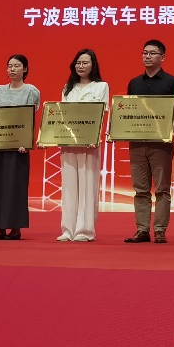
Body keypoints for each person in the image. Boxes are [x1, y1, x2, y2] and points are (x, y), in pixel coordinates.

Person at [124, 39, 174, 244]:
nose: (147, 56)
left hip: (161, 144)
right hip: (137, 143)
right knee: (140, 189)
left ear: (162, 57)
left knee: (162, 189)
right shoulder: (134, 82)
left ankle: (160, 230)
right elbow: (129, 111)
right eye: (145, 53)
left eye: (152, 53)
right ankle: (142, 230)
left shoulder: (172, 82)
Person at [0, 55, 41, 240]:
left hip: (18, 147)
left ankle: (15, 228)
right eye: (9, 66)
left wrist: (26, 142)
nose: (12, 69)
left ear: (25, 69)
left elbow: (29, 119)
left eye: (17, 66)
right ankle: (0, 228)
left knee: (15, 187)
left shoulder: (31, 91)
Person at [60, 49, 110, 242]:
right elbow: (62, 115)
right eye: (78, 63)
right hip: (69, 143)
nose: (81, 66)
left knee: (88, 185)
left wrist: (94, 136)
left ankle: (85, 230)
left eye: (85, 63)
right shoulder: (68, 88)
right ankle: (68, 229)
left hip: (90, 143)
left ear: (93, 65)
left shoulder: (101, 86)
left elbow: (102, 114)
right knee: (69, 187)